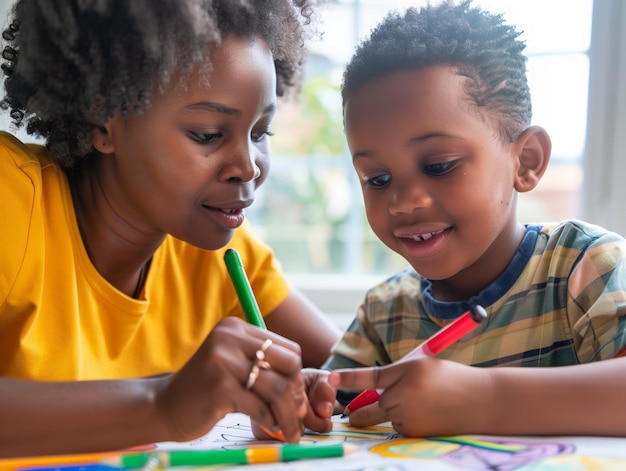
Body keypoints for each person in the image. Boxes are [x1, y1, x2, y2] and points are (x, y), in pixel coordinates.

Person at [0, 0, 340, 458]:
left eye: (261, 132)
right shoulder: (12, 200)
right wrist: (162, 404)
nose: (248, 167)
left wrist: (308, 390)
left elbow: (350, 373)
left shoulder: (222, 258)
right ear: (102, 119)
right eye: (207, 134)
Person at [324, 0, 626, 438]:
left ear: (525, 161)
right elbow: (330, 405)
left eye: (439, 165)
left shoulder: (586, 268)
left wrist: (485, 398)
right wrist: (298, 402)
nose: (402, 203)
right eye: (378, 178)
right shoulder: (384, 312)